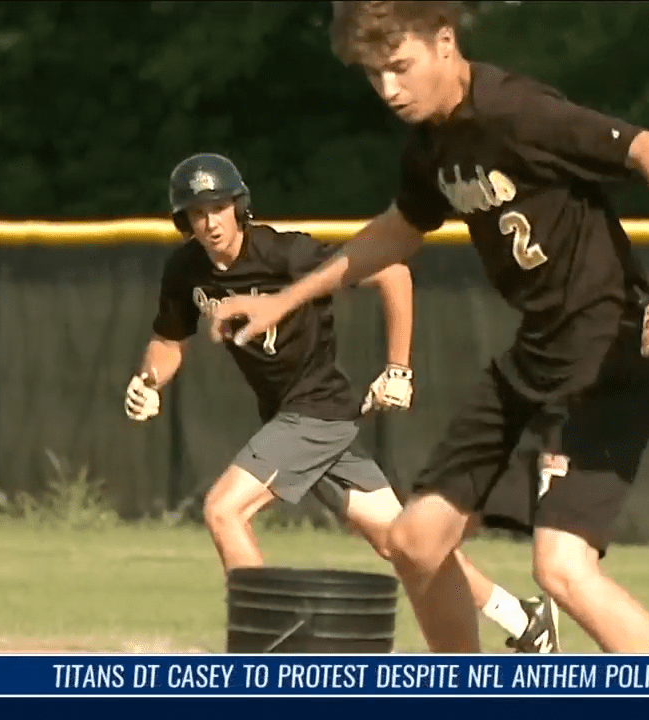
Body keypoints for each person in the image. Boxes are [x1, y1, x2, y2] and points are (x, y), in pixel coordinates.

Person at [208, 1, 649, 654]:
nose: (388, 89)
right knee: (415, 543)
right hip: (535, 359)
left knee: (561, 569)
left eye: (399, 66)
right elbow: (398, 230)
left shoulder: (516, 110)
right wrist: (283, 302)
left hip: (605, 358)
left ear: (445, 41)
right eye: (373, 75)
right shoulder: (431, 145)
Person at [125, 151, 561, 653]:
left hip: (314, 413)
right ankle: (524, 619)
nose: (210, 221)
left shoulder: (284, 255)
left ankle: (264, 648)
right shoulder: (186, 270)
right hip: (296, 419)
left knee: (223, 511)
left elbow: (392, 273)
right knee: (400, 542)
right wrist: (149, 381)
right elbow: (168, 339)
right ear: (184, 220)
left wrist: (399, 368)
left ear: (238, 206)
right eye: (197, 212)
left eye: (218, 207)